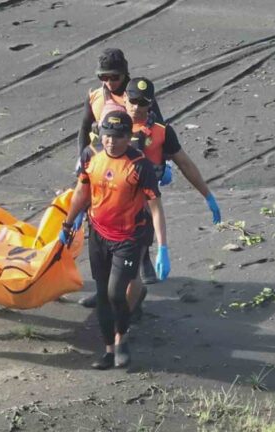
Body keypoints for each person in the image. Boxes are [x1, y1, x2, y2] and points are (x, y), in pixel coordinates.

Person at [77, 77, 222, 311]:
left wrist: (207, 195)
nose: (137, 107)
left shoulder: (162, 132)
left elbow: (184, 163)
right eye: (133, 101)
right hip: (105, 205)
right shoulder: (110, 127)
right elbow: (90, 163)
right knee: (103, 262)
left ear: (151, 103)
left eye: (143, 102)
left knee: (131, 270)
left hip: (139, 212)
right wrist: (78, 207)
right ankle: (104, 295)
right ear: (125, 98)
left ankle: (131, 308)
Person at [61, 111, 168, 369]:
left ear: (128, 137)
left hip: (129, 238)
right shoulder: (91, 154)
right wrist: (68, 222)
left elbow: (155, 206)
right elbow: (81, 191)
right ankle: (109, 350)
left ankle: (123, 338)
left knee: (115, 294)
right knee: (101, 294)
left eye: (118, 137)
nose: (111, 142)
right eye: (107, 135)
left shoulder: (139, 165)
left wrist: (163, 247)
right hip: (98, 234)